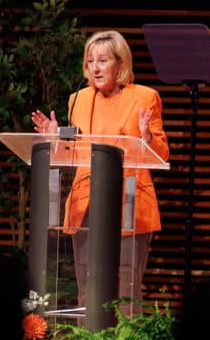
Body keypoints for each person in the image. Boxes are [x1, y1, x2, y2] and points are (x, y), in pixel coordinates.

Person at [31, 29, 169, 316]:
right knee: (87, 287)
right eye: (90, 61)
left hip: (129, 203)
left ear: (120, 64)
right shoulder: (78, 100)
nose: (94, 67)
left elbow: (162, 154)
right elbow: (74, 151)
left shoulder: (145, 97)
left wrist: (146, 138)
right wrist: (56, 139)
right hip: (86, 202)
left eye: (102, 60)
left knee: (125, 287)